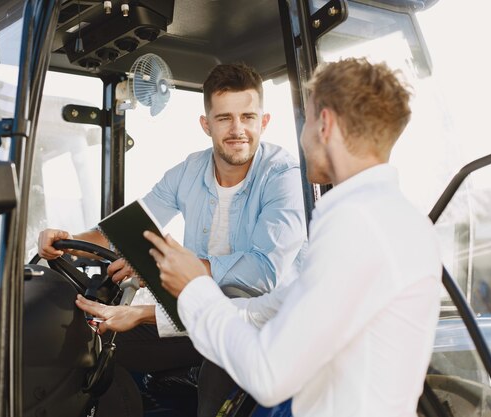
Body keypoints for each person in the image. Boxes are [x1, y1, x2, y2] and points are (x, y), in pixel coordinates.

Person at [144, 57, 442, 417]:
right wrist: (153, 313)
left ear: (325, 125)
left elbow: (268, 375)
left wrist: (194, 286)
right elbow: (267, 308)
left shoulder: (356, 225)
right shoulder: (393, 218)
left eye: (305, 122)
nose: (300, 139)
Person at [39, 63, 306, 415]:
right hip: (194, 315)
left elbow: (260, 274)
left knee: (219, 358)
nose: (238, 129)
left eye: (248, 117)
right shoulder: (189, 171)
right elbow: (123, 235)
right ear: (206, 124)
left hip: (259, 327)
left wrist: (161, 268)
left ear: (264, 122)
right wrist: (67, 239)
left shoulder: (284, 176)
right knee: (91, 343)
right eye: (225, 118)